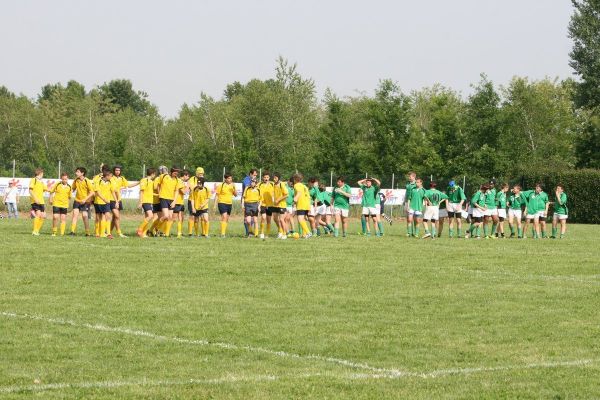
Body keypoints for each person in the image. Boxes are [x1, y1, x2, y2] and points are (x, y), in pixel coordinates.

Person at [111, 165, 138, 238]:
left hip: (118, 199)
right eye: (116, 170)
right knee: (117, 216)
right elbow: (113, 189)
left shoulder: (122, 178)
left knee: (114, 217)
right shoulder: (111, 178)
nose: (117, 171)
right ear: (114, 171)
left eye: (119, 170)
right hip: (111, 199)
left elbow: (128, 186)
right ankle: (119, 233)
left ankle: (109, 232)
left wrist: (138, 183)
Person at [157, 166, 182, 237]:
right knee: (166, 216)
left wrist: (174, 201)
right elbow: (158, 185)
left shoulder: (177, 180)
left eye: (177, 172)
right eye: (175, 172)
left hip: (171, 200)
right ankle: (157, 228)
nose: (176, 173)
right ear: (171, 171)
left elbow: (177, 191)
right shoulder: (164, 176)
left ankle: (165, 233)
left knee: (170, 217)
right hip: (163, 198)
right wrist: (159, 194)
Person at [69, 167, 94, 236]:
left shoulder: (87, 181)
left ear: (82, 173)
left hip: (85, 202)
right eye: (76, 172)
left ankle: (87, 232)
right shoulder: (76, 180)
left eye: (77, 172)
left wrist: (85, 199)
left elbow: (92, 192)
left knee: (84, 216)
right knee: (75, 214)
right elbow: (73, 188)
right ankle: (72, 231)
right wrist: (69, 193)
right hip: (77, 200)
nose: (76, 173)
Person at [94, 170, 118, 239]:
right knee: (98, 218)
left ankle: (108, 233)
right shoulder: (98, 181)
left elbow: (113, 192)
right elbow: (97, 192)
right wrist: (104, 199)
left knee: (108, 216)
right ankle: (97, 233)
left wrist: (116, 201)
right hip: (98, 202)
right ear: (107, 176)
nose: (111, 177)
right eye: (110, 176)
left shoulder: (110, 182)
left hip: (106, 202)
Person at [136, 168, 157, 238]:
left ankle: (143, 234)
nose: (155, 175)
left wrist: (158, 195)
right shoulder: (144, 180)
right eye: (155, 174)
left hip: (149, 201)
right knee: (150, 216)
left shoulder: (151, 181)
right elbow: (141, 192)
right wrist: (140, 202)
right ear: (153, 174)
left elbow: (150, 192)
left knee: (147, 217)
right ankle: (140, 229)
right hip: (145, 201)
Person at [214, 173, 237, 237]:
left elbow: (235, 195)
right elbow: (217, 195)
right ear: (225, 179)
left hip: (229, 203)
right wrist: (214, 205)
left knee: (226, 219)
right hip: (222, 202)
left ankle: (223, 232)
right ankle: (222, 234)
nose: (230, 179)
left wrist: (234, 188)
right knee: (224, 216)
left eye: (231, 178)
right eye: (229, 178)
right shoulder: (221, 185)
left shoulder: (232, 185)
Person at [29, 168, 49, 236]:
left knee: (43, 216)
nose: (43, 174)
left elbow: (46, 189)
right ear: (40, 173)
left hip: (41, 201)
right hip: (35, 201)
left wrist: (54, 190)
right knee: (38, 214)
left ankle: (37, 231)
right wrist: (35, 199)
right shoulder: (33, 180)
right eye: (42, 173)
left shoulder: (41, 182)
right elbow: (30, 190)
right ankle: (34, 231)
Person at [293, 173, 312, 238]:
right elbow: (309, 197)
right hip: (306, 204)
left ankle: (308, 232)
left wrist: (295, 199)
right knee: (303, 219)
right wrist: (309, 207)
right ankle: (304, 234)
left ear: (295, 179)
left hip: (301, 204)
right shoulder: (304, 186)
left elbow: (299, 192)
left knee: (300, 219)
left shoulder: (296, 185)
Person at [187, 167, 205, 236]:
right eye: (200, 173)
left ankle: (197, 234)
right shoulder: (192, 179)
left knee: (197, 218)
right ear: (197, 173)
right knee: (192, 216)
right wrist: (198, 185)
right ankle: (190, 233)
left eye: (202, 174)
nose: (201, 175)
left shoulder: (202, 180)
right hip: (191, 200)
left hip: (199, 201)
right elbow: (192, 188)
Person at [173, 169, 190, 238]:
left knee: (181, 218)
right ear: (185, 175)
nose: (188, 178)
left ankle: (179, 233)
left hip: (181, 202)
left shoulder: (182, 182)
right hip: (177, 202)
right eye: (188, 176)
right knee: (173, 219)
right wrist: (188, 186)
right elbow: (183, 192)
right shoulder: (179, 181)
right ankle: (163, 231)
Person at [242, 168, 258, 236]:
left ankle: (251, 232)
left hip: (253, 201)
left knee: (253, 218)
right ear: (250, 174)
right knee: (246, 218)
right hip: (246, 200)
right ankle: (248, 232)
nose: (255, 176)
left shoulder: (254, 180)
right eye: (254, 175)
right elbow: (248, 187)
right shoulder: (246, 180)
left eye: (256, 175)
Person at [272, 173, 289, 239]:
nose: (274, 179)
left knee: (281, 219)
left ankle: (284, 234)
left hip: (282, 205)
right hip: (276, 205)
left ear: (278, 178)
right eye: (273, 178)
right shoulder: (274, 185)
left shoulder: (282, 184)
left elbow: (286, 195)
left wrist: (278, 199)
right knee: (275, 219)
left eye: (275, 178)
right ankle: (280, 231)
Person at [258, 171, 275, 239]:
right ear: (262, 177)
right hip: (262, 204)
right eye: (265, 177)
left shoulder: (272, 184)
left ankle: (267, 234)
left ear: (269, 177)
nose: (266, 178)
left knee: (269, 220)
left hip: (270, 204)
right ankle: (261, 233)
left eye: (267, 177)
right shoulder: (259, 184)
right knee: (263, 217)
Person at [404, 172, 417, 236]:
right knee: (408, 218)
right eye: (409, 176)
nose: (409, 178)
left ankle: (415, 232)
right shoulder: (408, 185)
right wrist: (405, 201)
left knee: (415, 218)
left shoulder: (416, 184)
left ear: (414, 177)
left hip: (414, 202)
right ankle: (409, 232)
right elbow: (406, 193)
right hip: (407, 202)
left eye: (410, 176)